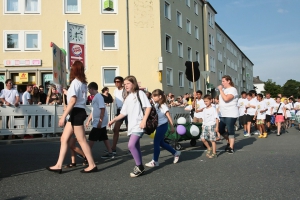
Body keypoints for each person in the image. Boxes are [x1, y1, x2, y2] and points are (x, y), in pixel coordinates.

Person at [46, 61, 97, 174]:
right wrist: (66, 92)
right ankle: (58, 165)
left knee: (82, 140)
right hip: (78, 111)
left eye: (71, 68)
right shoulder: (82, 83)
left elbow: (73, 101)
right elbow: (76, 97)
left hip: (76, 112)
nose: (70, 70)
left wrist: (63, 116)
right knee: (64, 139)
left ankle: (92, 164)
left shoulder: (75, 82)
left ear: (74, 70)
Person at [108, 75, 151, 178]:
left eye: (128, 83)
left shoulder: (140, 93)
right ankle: (140, 167)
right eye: (125, 84)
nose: (125, 86)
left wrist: (144, 120)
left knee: (131, 145)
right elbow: (123, 113)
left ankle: (139, 166)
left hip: (139, 124)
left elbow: (148, 107)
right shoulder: (127, 97)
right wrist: (113, 120)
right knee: (136, 146)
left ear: (133, 83)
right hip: (132, 126)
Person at [145, 89, 181, 168]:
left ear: (160, 96)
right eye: (152, 96)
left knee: (156, 142)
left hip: (162, 126)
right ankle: (175, 153)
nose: (153, 97)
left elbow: (168, 116)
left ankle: (155, 161)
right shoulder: (157, 104)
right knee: (161, 143)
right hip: (159, 126)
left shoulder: (163, 105)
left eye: (155, 96)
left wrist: (172, 127)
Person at [85, 82, 114, 159]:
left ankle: (85, 154)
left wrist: (100, 121)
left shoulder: (99, 97)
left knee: (92, 137)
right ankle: (110, 152)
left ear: (91, 89)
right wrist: (88, 120)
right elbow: (94, 110)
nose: (88, 91)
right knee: (104, 137)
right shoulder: (96, 97)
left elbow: (102, 109)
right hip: (99, 121)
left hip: (99, 121)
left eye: (89, 89)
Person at [217, 75, 239, 154]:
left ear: (228, 81)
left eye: (223, 81)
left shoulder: (233, 89)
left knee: (230, 130)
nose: (222, 83)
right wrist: (217, 111)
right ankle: (230, 141)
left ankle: (231, 147)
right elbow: (221, 102)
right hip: (223, 113)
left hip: (231, 113)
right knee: (220, 129)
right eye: (222, 81)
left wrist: (220, 90)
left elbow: (226, 99)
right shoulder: (224, 90)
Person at [111, 76, 128, 155]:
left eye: (118, 82)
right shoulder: (115, 91)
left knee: (130, 129)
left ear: (122, 82)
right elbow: (115, 101)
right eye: (115, 82)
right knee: (115, 129)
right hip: (119, 110)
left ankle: (133, 146)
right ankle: (113, 148)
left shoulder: (125, 90)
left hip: (127, 110)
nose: (116, 83)